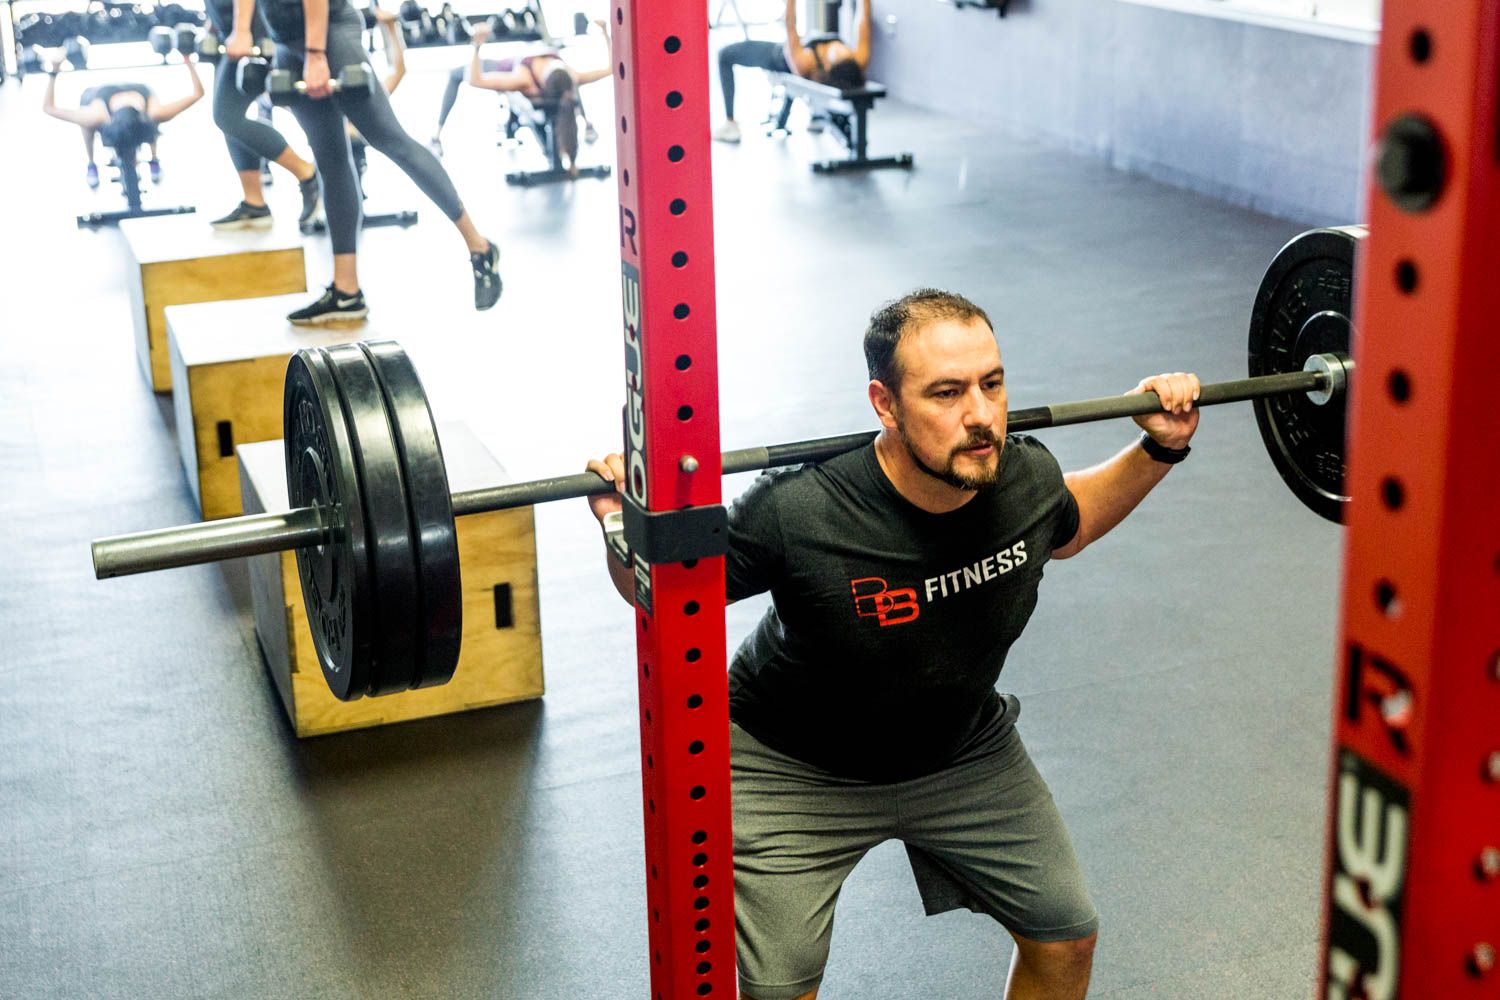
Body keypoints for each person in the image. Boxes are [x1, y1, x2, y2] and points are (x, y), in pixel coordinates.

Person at [585, 289, 1203, 1000]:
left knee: (1066, 937)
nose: (980, 416)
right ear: (885, 404)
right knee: (779, 989)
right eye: (946, 393)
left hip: (960, 751)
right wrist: (621, 525)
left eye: (991, 385)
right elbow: (657, 589)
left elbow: (1072, 522)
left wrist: (1162, 444)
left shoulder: (1023, 480)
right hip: (794, 768)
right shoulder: (799, 509)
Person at [228, 0, 501, 325]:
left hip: (331, 31)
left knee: (391, 140)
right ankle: (347, 292)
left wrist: (316, 54)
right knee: (329, 160)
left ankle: (480, 247)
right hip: (287, 41)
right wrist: (241, 29)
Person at [203, 0, 322, 231]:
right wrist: (214, 24)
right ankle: (255, 203)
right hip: (232, 28)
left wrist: (242, 29)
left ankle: (307, 173)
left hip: (253, 29)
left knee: (226, 116)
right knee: (230, 118)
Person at [458, 19, 612, 176]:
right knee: (456, 75)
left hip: (534, 75)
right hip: (505, 65)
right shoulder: (523, 78)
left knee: (454, 76)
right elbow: (475, 80)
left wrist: (606, 32)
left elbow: (611, 69)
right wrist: (476, 46)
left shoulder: (568, 75)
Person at [713, 0, 871, 144]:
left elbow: (790, 25)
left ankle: (730, 124)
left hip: (779, 56)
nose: (841, 49)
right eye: (844, 52)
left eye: (838, 56)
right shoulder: (858, 58)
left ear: (828, 66)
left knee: (725, 55)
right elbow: (863, 19)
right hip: (800, 44)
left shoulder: (804, 62)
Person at [41, 53, 204, 184]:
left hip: (140, 93)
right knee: (87, 124)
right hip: (100, 95)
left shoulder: (154, 112)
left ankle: (154, 158)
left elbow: (198, 94)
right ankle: (91, 163)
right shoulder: (98, 115)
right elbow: (49, 108)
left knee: (155, 119)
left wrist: (188, 60)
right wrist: (54, 71)